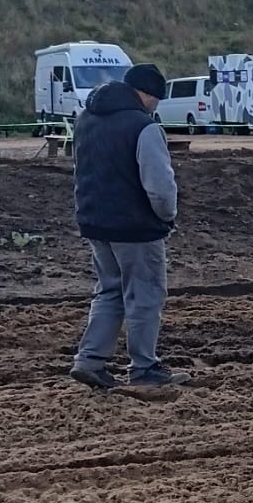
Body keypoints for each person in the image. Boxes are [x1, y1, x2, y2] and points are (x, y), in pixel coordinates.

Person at [70, 61, 185, 397]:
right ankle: (144, 368)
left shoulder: (86, 118)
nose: (155, 106)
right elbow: (160, 186)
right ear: (147, 94)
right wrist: (166, 216)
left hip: (95, 221)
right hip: (136, 227)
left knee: (109, 291)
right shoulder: (143, 126)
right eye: (157, 99)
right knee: (145, 295)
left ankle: (90, 359)